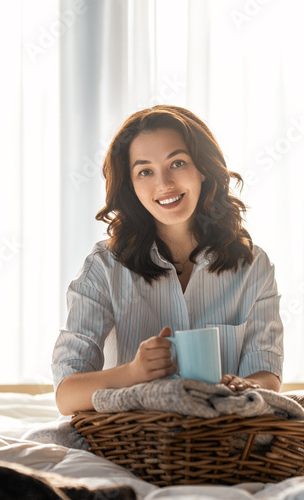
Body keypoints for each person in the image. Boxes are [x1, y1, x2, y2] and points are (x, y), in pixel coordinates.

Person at [52, 105, 283, 415]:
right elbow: (67, 396)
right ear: (131, 184)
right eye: (145, 171)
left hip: (224, 441)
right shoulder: (104, 267)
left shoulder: (254, 266)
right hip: (131, 443)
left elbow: (266, 374)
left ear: (202, 167)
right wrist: (133, 373)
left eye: (177, 163)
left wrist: (239, 388)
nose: (164, 183)